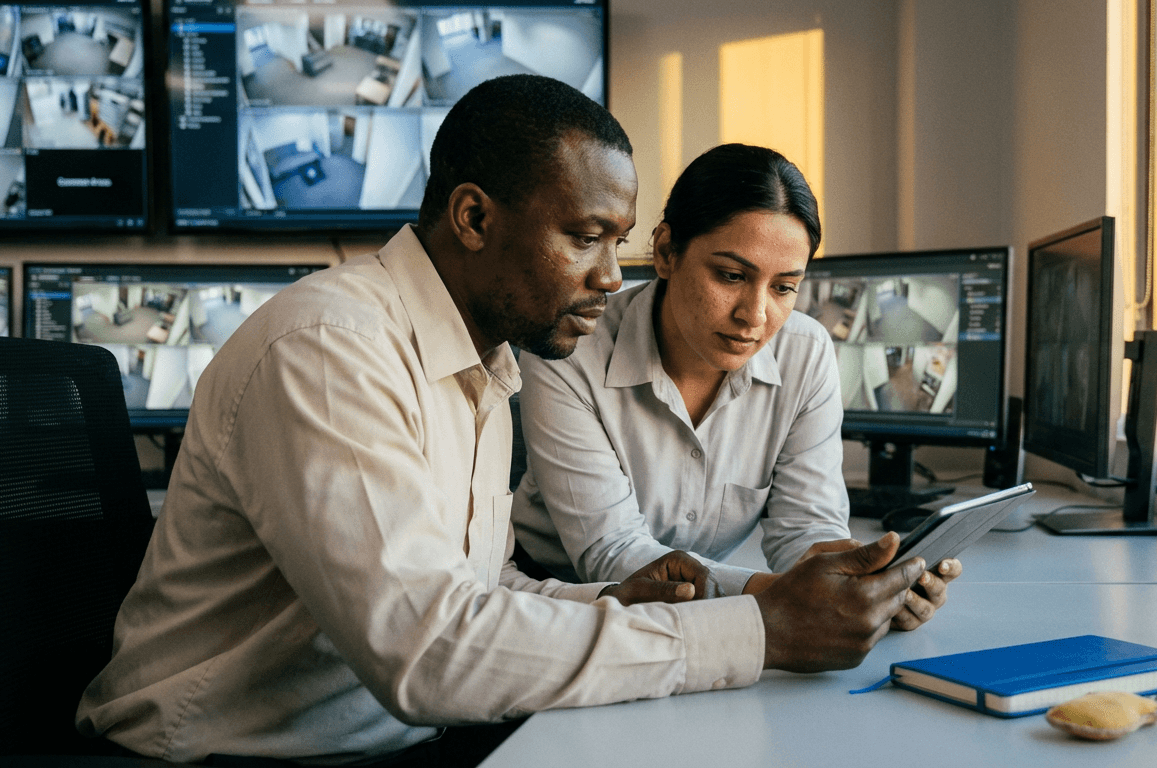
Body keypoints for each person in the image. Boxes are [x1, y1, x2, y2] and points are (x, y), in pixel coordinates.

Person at [75, 75, 948, 767]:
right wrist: (757, 629)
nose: (614, 278)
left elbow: (477, 590)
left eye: (620, 242)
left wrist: (607, 601)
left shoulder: (484, 357)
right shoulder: (331, 350)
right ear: (474, 217)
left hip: (396, 740)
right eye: (588, 236)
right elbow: (427, 652)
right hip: (226, 755)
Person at [511, 144, 948, 630]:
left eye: (784, 287)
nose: (755, 316)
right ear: (664, 252)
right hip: (555, 598)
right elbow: (611, 551)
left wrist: (865, 580)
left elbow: (806, 528)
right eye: (731, 275)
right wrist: (792, 596)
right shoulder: (572, 348)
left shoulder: (806, 353)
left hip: (699, 608)